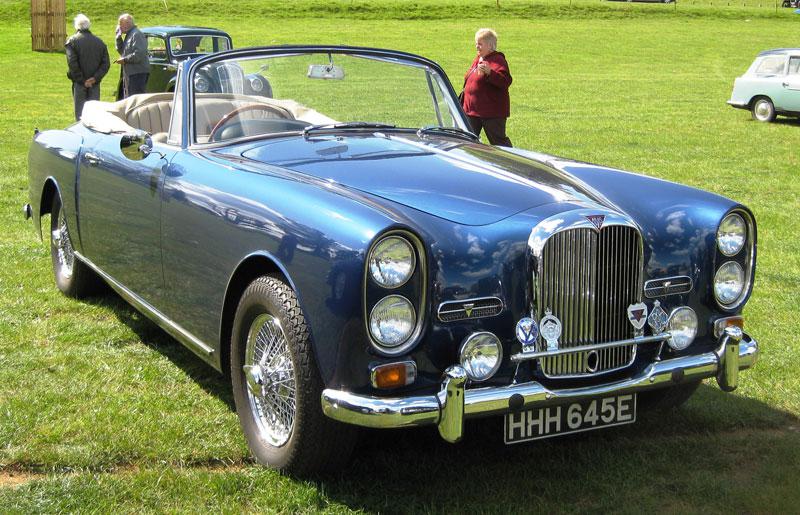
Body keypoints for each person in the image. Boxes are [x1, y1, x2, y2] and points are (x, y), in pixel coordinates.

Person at [461, 28, 513, 147]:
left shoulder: (498, 60)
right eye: (476, 43)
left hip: (491, 112)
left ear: (490, 45)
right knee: (467, 142)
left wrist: (491, 73)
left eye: (480, 44)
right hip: (471, 111)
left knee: (499, 143)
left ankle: (510, 162)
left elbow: (506, 81)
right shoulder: (478, 59)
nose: (477, 46)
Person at [64, 14, 110, 121]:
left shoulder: (72, 41)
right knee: (94, 113)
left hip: (80, 83)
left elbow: (72, 63)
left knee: (80, 114)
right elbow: (106, 64)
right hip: (94, 83)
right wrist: (95, 78)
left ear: (77, 26)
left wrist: (82, 80)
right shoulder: (100, 42)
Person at [114, 13, 150, 98]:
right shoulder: (129, 35)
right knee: (129, 97)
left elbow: (139, 54)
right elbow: (123, 52)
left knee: (135, 99)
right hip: (131, 73)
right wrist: (118, 37)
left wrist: (125, 60)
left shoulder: (136, 34)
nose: (119, 26)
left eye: (120, 24)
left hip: (137, 73)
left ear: (127, 24)